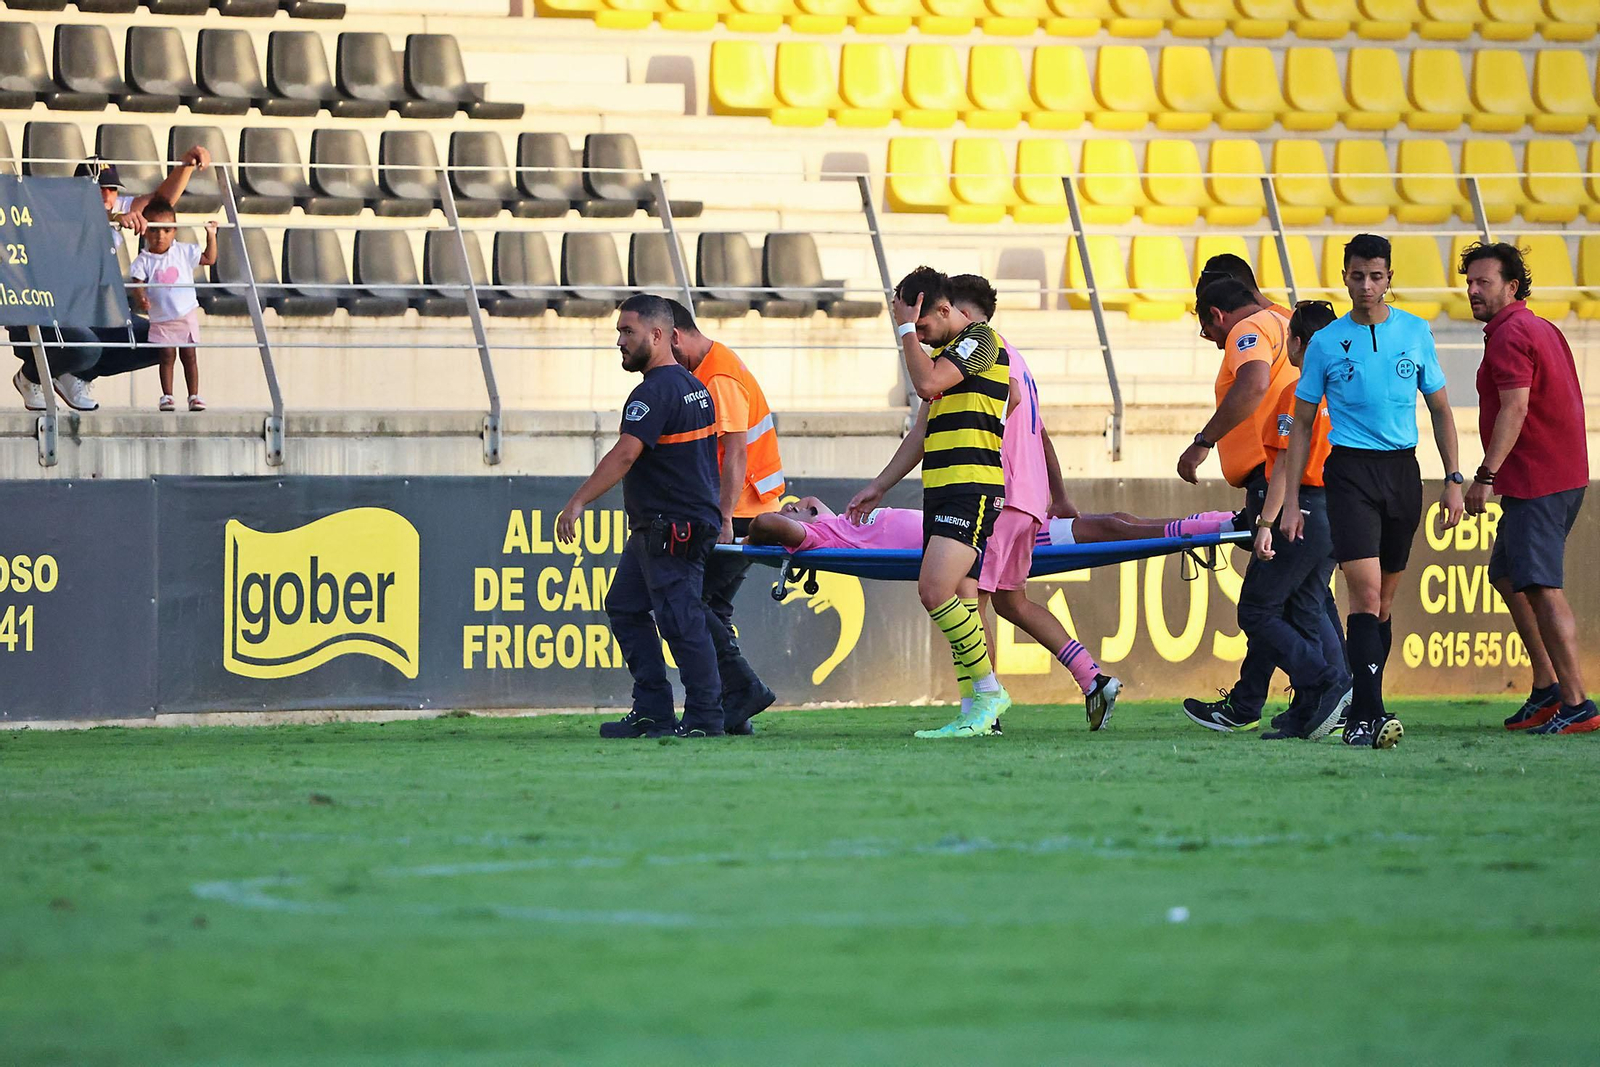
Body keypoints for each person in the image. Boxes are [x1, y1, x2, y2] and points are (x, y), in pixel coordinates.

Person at [1280, 233, 1466, 749]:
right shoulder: (1323, 343)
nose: (1366, 286)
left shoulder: (1414, 332)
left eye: (1376, 276)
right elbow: (1299, 424)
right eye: (1357, 275)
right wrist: (1292, 499)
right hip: (1351, 474)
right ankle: (1369, 715)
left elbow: (1441, 409)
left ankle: (1366, 709)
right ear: (1344, 277)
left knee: (1382, 605)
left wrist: (1454, 479)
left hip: (1403, 473)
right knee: (1362, 595)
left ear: (1389, 279)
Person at [943, 274, 1122, 730]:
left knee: (972, 599)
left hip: (998, 495)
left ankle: (986, 712)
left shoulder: (979, 356)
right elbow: (1038, 432)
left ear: (963, 314)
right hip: (1028, 498)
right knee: (1011, 601)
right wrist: (1057, 495)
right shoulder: (1015, 358)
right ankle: (1093, 678)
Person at [847, 266, 1011, 739]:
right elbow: (921, 432)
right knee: (960, 598)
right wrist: (881, 484)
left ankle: (989, 690)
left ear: (944, 310)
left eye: (922, 326)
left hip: (971, 488)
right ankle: (977, 712)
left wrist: (903, 332)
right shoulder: (947, 354)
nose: (919, 337)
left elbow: (925, 384)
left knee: (933, 591)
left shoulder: (981, 339)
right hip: (942, 488)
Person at [556, 294, 725, 739]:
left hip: (670, 525)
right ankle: (653, 709)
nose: (619, 341)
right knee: (626, 606)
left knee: (680, 618)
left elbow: (626, 454)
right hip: (675, 521)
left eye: (627, 332)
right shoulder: (694, 387)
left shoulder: (652, 392)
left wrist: (578, 501)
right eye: (619, 332)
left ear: (657, 335)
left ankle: (706, 715)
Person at [1459, 241, 1596, 734]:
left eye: (1484, 282)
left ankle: (1577, 703)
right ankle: (1547, 688)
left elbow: (1515, 407)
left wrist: (1484, 476)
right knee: (1509, 575)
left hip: (1539, 477)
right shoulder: (1537, 326)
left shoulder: (1511, 334)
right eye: (1469, 282)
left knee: (1540, 585)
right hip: (1557, 473)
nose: (1473, 290)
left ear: (1511, 286)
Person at [1179, 276, 1297, 733]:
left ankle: (1330, 687)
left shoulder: (1249, 332)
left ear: (1217, 313)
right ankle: (1257, 702)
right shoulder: (1287, 321)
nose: (1209, 338)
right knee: (1297, 601)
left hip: (1275, 478)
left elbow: (1252, 384)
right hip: (1294, 476)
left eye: (1206, 325)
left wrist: (1203, 441)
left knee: (1266, 607)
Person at [10, 147, 213, 413]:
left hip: (89, 312)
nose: (107, 196)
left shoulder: (114, 207)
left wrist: (186, 165)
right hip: (45, 314)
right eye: (99, 188)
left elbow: (160, 201)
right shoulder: (58, 208)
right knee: (87, 348)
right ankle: (30, 377)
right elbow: (88, 218)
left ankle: (76, 375)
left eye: (112, 189)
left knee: (163, 340)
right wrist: (116, 217)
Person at [665, 300, 783, 735]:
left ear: (674, 336)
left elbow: (736, 452)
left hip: (742, 512)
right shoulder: (713, 368)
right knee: (710, 606)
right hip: (748, 507)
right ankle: (729, 707)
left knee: (685, 603)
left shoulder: (718, 375)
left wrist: (724, 517)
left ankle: (742, 690)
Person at [1248, 300, 1352, 741]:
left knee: (1256, 609)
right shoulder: (1347, 388)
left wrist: (1266, 523)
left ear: (1296, 342)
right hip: (1340, 510)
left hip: (1304, 507)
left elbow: (1286, 464)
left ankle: (1324, 682)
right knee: (1306, 607)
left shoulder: (1299, 391)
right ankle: (1311, 710)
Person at [129, 199, 216, 412]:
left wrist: (211, 236)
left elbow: (209, 259)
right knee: (166, 356)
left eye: (166, 230)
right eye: (154, 230)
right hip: (161, 318)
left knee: (189, 355)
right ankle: (167, 395)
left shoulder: (183, 252)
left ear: (174, 231)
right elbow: (136, 283)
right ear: (144, 232)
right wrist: (141, 297)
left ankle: (193, 395)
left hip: (185, 314)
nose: (160, 236)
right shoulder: (144, 259)